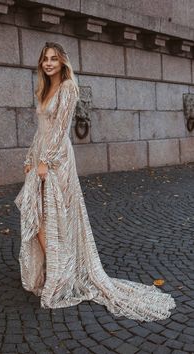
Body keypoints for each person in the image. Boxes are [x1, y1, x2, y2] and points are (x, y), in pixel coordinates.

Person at [14, 41, 176, 322]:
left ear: (63, 62)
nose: (49, 63)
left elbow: (62, 129)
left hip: (57, 161)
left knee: (54, 216)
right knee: (38, 214)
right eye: (45, 59)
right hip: (42, 157)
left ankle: (61, 275)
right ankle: (57, 271)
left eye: (54, 59)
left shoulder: (68, 88)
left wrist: (47, 161)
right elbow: (42, 130)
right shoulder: (44, 88)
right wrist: (31, 156)